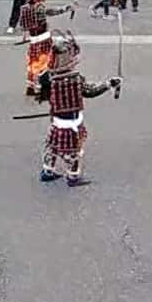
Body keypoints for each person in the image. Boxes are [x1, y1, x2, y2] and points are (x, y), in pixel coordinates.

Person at [35, 31, 119, 187]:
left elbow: (41, 94)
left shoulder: (45, 77)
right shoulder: (75, 79)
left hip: (57, 119)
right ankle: (72, 177)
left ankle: (48, 171)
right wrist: (109, 84)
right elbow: (91, 91)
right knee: (73, 151)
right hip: (71, 121)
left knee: (52, 146)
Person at [17, 0, 54, 96]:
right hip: (42, 38)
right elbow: (48, 14)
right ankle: (39, 85)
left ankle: (30, 86)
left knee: (32, 63)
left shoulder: (25, 8)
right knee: (43, 63)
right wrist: (67, 8)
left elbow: (23, 26)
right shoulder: (39, 6)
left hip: (33, 39)